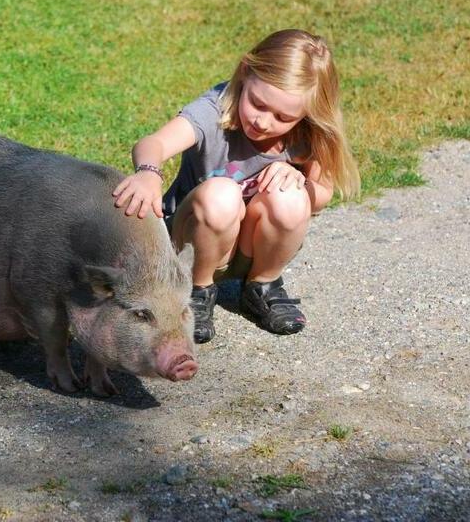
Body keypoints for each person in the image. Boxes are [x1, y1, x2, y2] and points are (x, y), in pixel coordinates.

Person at [112, 29, 360, 344]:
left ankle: (262, 287)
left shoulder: (306, 133)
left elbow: (321, 195)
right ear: (245, 73)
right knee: (222, 193)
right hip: (190, 243)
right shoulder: (215, 109)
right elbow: (154, 143)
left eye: (284, 117)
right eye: (258, 103)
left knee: (292, 197)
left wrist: (301, 180)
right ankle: (197, 292)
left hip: (250, 247)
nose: (264, 122)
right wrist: (149, 171)